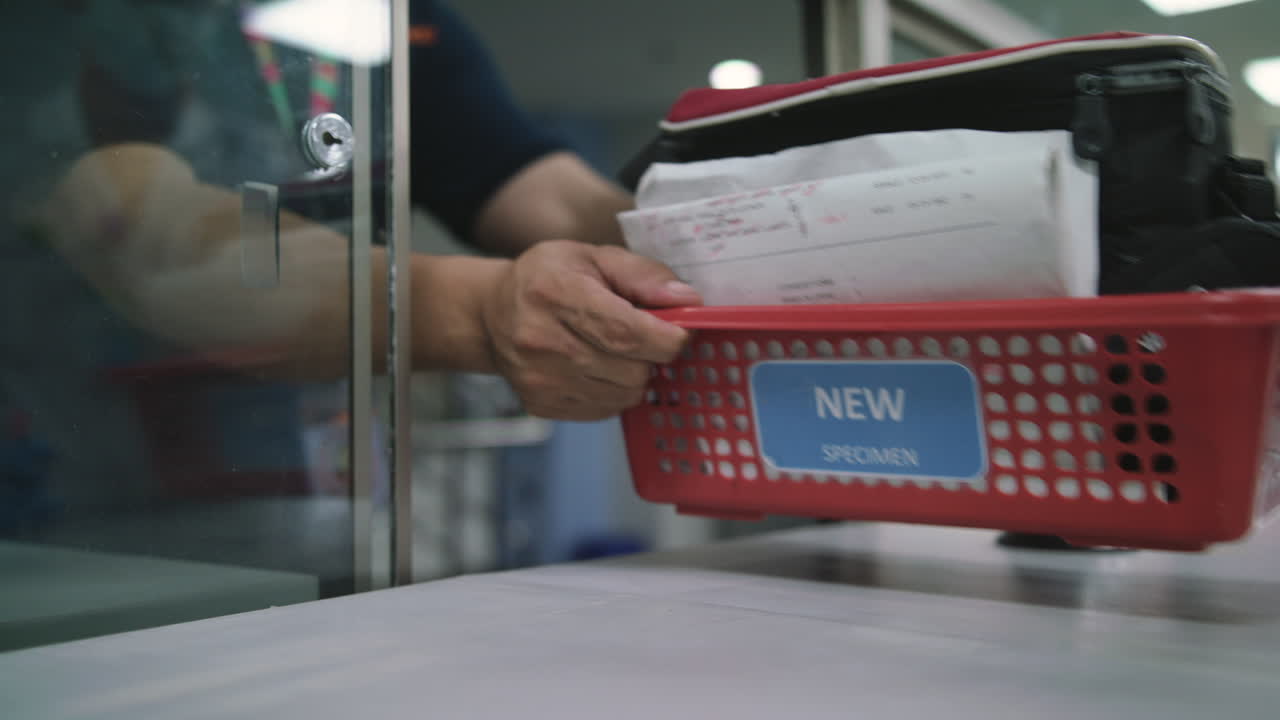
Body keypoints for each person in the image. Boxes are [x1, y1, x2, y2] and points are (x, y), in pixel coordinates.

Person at [16, 0, 700, 424]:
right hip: (85, 497)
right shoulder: (38, 55)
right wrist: (475, 310)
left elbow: (544, 191)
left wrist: (731, 226)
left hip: (318, 484)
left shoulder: (387, 27)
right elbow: (161, 245)